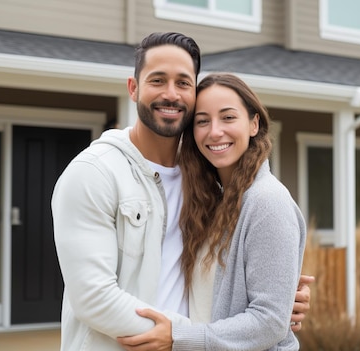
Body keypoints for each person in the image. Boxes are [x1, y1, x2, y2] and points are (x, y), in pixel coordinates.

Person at [52, 32, 312, 351]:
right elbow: (93, 298)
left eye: (183, 83)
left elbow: (249, 293)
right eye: (158, 80)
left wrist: (281, 298)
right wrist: (181, 334)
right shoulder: (94, 173)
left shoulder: (208, 185)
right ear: (133, 88)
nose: (171, 94)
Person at [117, 73, 307, 350]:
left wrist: (177, 338)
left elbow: (270, 322)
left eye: (228, 118)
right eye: (202, 121)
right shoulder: (210, 199)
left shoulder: (267, 201)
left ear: (254, 124)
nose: (215, 131)